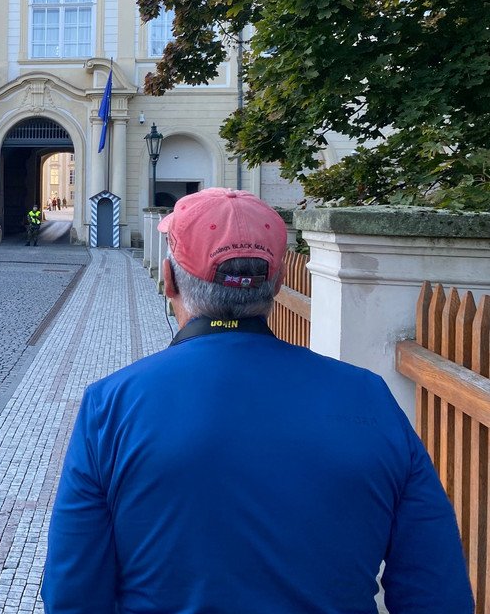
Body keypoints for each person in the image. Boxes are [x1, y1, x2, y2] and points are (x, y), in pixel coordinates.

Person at [41, 188, 473, 614]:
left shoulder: (111, 405)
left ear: (169, 279)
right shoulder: (369, 397)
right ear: (280, 282)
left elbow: (73, 594)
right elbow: (438, 593)